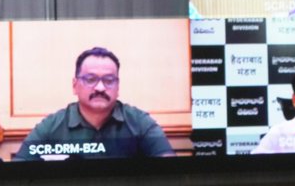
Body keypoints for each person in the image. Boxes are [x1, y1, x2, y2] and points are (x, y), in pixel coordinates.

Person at [12, 47, 174, 160]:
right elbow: (20, 168)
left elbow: (169, 169)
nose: (100, 87)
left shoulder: (140, 122)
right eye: (90, 79)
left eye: (109, 80)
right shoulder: (52, 126)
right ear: (75, 85)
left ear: (118, 86)